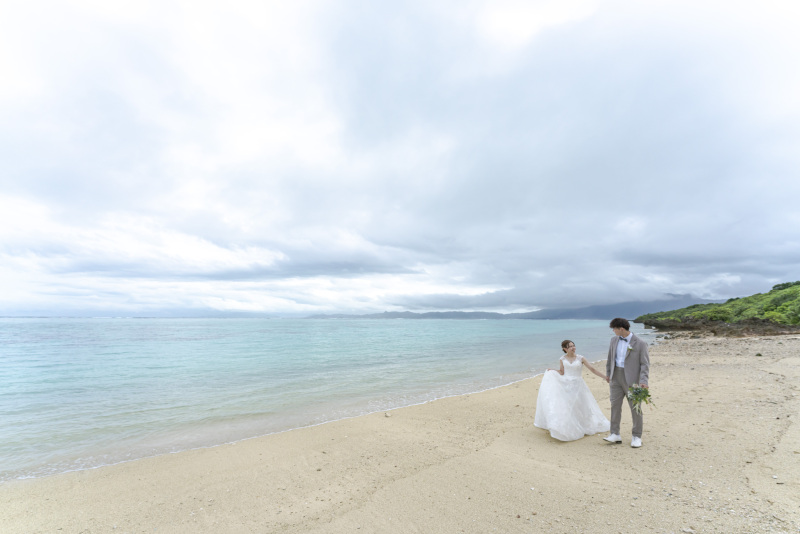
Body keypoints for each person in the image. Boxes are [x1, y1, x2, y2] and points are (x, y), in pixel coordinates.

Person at [534, 340, 611, 441]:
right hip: (566, 385)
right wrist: (552, 371)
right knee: (568, 406)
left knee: (580, 405)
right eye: (570, 346)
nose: (573, 348)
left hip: (578, 385)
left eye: (574, 346)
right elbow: (562, 372)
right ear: (565, 349)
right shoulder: (562, 359)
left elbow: (592, 369)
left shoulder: (581, 358)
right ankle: (568, 427)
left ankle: (583, 425)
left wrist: (605, 377)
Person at [604, 318, 650, 448]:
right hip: (615, 377)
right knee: (615, 406)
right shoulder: (613, 340)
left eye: (614, 329)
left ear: (621, 329)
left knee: (635, 408)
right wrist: (609, 374)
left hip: (633, 379)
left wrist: (643, 381)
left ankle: (636, 436)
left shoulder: (640, 343)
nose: (613, 331)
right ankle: (614, 434)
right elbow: (610, 358)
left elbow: (645, 364)